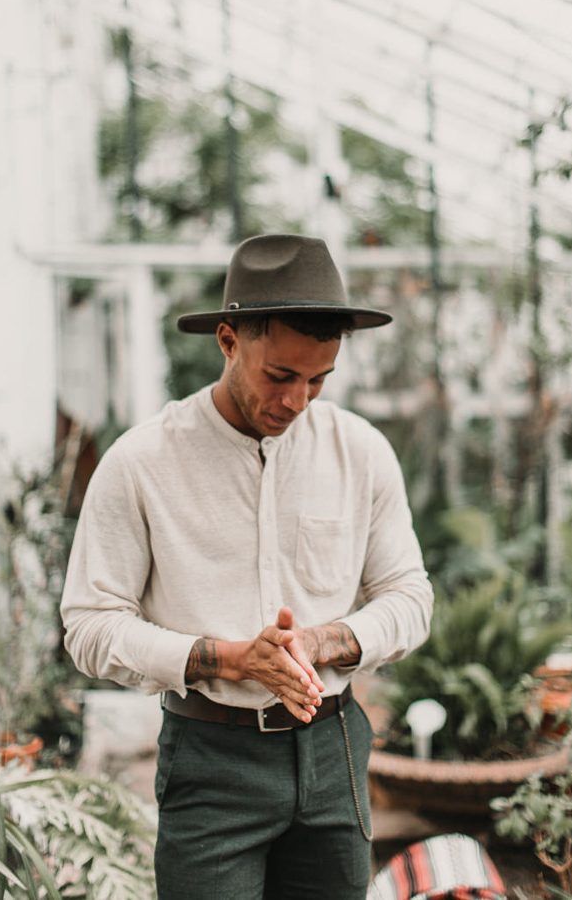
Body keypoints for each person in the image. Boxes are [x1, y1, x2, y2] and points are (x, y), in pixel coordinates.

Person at [60, 233, 433, 900]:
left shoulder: (362, 453)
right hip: (211, 761)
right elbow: (89, 625)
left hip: (334, 749)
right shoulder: (141, 463)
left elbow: (409, 596)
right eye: (280, 376)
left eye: (319, 380)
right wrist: (227, 658)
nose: (297, 401)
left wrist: (321, 642)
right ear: (228, 340)